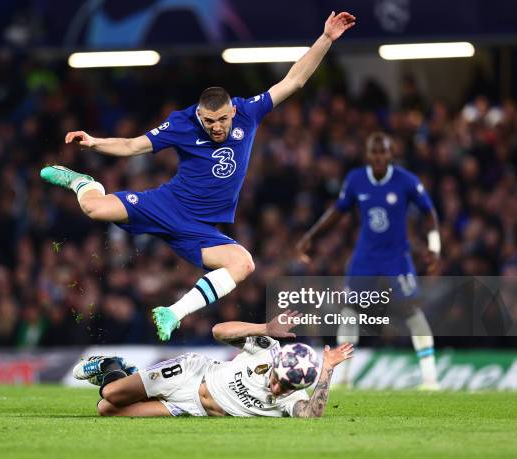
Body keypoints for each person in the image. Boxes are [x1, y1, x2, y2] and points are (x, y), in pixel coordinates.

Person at [39, 11, 356, 341]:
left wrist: (326, 38)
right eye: (209, 121)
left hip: (199, 228)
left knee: (243, 264)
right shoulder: (182, 123)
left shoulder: (249, 112)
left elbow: (294, 80)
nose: (216, 127)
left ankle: (173, 312)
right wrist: (94, 142)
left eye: (222, 120)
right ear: (199, 115)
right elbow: (133, 146)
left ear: (233, 110)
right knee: (93, 209)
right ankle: (82, 182)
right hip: (166, 205)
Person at [296, 132, 441, 390]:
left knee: (410, 310)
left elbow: (429, 212)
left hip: (397, 257)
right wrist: (311, 236)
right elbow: (337, 212)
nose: (378, 157)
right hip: (366, 257)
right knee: (351, 310)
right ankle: (343, 378)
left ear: (391, 154)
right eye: (374, 152)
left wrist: (434, 246)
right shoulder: (356, 180)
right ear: (367, 155)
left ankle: (430, 379)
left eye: (383, 152)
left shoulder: (405, 181)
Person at [73, 311, 354, 418]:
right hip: (191, 374)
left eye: (287, 386)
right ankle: (110, 364)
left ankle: (125, 374)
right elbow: (219, 331)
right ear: (278, 363)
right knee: (110, 394)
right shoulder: (268, 351)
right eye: (279, 379)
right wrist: (265, 326)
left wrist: (327, 370)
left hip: (189, 407)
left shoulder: (293, 397)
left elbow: (311, 416)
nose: (279, 388)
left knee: (106, 410)